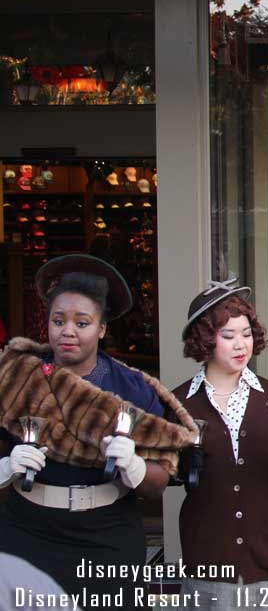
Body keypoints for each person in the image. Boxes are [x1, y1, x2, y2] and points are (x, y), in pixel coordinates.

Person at [0, 254, 197, 607]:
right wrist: (5, 467)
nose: (68, 331)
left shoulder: (133, 389)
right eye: (58, 321)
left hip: (108, 538)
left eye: (82, 322)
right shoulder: (17, 379)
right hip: (28, 532)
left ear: (102, 329)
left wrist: (134, 467)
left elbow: (159, 483)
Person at [174, 277, 268, 607]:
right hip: (207, 562)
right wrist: (178, 467)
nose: (241, 345)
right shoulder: (180, 403)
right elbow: (161, 476)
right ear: (205, 340)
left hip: (265, 560)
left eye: (246, 334)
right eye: (228, 336)